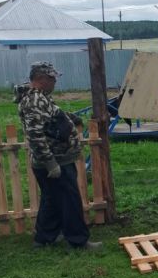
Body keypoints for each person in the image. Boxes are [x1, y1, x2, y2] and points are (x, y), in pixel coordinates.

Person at [14, 61, 103, 249]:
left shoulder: (40, 97)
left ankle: (44, 238)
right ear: (40, 79)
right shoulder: (34, 100)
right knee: (69, 200)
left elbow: (48, 117)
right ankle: (78, 241)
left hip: (54, 158)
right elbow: (36, 134)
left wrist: (68, 117)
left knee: (52, 199)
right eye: (52, 78)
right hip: (55, 160)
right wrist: (50, 163)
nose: (55, 82)